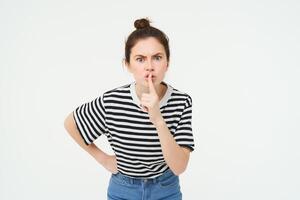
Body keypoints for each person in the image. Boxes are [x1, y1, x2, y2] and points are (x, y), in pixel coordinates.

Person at [64, 17, 195, 200]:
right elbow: (71, 123)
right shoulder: (112, 101)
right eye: (140, 59)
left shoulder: (181, 101)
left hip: (165, 189)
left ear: (167, 62)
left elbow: (179, 167)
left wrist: (158, 120)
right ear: (127, 64)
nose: (149, 67)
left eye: (157, 58)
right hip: (123, 189)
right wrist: (103, 158)